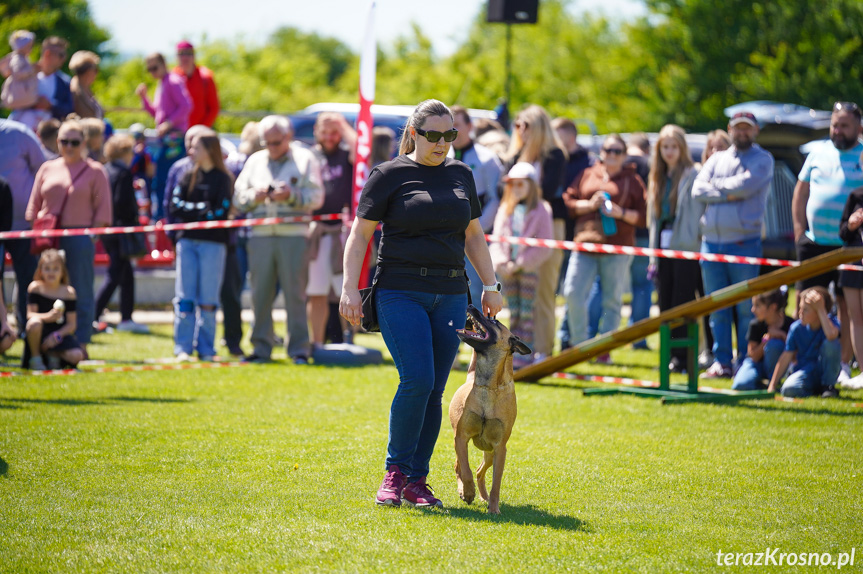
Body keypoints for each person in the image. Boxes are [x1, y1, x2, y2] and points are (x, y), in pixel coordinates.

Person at [339, 99, 503, 509]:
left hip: (451, 294)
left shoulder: (461, 174)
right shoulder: (389, 175)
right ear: (413, 133)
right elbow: (359, 237)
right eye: (433, 135)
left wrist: (491, 284)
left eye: (450, 135)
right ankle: (394, 473)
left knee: (433, 389)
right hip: (399, 290)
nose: (442, 143)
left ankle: (417, 480)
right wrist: (348, 288)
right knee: (417, 379)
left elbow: (474, 236)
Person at [234, 115, 323, 364]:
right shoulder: (254, 161)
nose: (271, 148)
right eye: (267, 143)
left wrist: (291, 195)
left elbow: (317, 197)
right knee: (259, 294)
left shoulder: (305, 159)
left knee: (295, 295)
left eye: (276, 142)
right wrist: (255, 196)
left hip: (294, 236)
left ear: (288, 136)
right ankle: (261, 348)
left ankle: (298, 350)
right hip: (260, 236)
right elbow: (238, 198)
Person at [693, 111, 774, 378]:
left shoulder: (763, 159)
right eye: (737, 128)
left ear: (756, 131)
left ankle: (745, 360)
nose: (742, 133)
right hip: (711, 244)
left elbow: (746, 186)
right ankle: (722, 362)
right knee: (717, 307)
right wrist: (728, 193)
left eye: (747, 129)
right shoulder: (717, 158)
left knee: (744, 308)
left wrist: (718, 189)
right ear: (729, 129)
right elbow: (698, 189)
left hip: (744, 244)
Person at [791, 101, 863, 383]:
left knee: (848, 307)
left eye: (844, 125)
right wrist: (799, 231)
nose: (838, 130)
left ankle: (842, 366)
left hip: (850, 247)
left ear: (858, 127)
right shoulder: (817, 152)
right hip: (814, 242)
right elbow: (800, 192)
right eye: (835, 124)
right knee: (805, 302)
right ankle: (801, 361)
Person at [26, 118, 112, 350]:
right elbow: (33, 207)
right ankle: (37, 343)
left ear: (83, 143)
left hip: (79, 238)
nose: (69, 146)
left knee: (81, 290)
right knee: (41, 287)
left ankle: (81, 342)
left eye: (75, 142)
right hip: (48, 239)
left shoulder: (95, 171)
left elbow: (103, 211)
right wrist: (38, 230)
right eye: (64, 141)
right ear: (57, 142)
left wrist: (89, 237)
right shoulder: (47, 168)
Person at [562, 134, 647, 353]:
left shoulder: (633, 180)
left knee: (612, 300)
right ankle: (580, 346)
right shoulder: (588, 174)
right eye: (608, 150)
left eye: (617, 151)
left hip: (617, 247)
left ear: (625, 155)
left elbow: (645, 216)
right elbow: (568, 203)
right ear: (602, 152)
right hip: (585, 243)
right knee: (572, 292)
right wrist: (589, 205)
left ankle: (603, 350)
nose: (612, 155)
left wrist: (621, 213)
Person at [505, 105, 566, 362]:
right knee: (517, 292)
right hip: (516, 225)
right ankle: (519, 350)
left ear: (538, 126)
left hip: (548, 225)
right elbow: (505, 190)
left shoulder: (554, 156)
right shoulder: (516, 154)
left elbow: (549, 190)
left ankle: (542, 349)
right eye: (517, 125)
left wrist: (524, 185)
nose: (520, 130)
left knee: (543, 290)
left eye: (525, 125)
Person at [168, 134, 233, 361]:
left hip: (213, 244)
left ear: (208, 149)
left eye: (196, 147)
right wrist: (202, 209)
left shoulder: (223, 179)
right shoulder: (186, 175)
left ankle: (206, 348)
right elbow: (175, 206)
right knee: (185, 296)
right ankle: (182, 347)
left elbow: (220, 211)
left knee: (208, 298)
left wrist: (194, 210)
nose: (191, 151)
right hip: (187, 241)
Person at [647, 125, 701, 372]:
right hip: (662, 247)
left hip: (685, 246)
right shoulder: (657, 175)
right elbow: (654, 220)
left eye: (674, 147)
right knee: (665, 302)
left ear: (682, 148)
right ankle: (668, 354)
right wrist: (651, 256)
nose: (669, 152)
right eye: (665, 147)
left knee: (683, 301)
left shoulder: (692, 173)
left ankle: (684, 357)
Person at [489, 162, 553, 367]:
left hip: (528, 270)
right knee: (513, 312)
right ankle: (515, 353)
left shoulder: (542, 209)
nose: (516, 189)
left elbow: (545, 244)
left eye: (521, 184)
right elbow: (497, 239)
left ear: (531, 186)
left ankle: (527, 353)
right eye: (513, 185)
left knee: (527, 313)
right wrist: (503, 262)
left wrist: (521, 263)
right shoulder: (505, 209)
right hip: (507, 270)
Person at [307, 112, 355, 349]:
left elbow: (362, 151)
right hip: (316, 231)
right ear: (316, 131)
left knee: (346, 291)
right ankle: (316, 343)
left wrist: (342, 125)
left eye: (333, 132)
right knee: (316, 292)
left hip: (342, 232)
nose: (329, 137)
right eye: (324, 131)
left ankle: (348, 342)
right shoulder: (309, 156)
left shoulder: (346, 155)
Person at [95, 134, 149, 334]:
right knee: (115, 274)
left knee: (126, 275)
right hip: (121, 231)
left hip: (108, 230)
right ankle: (94, 314)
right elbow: (122, 202)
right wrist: (133, 220)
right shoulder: (123, 173)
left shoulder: (105, 170)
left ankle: (126, 317)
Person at [450, 105, 503, 306]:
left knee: (476, 287)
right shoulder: (442, 155)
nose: (453, 131)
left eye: (457, 125)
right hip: (449, 235)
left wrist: (476, 228)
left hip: (476, 235)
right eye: (449, 126)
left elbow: (495, 198)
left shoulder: (487, 159)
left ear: (470, 126)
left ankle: (479, 334)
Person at [551, 117, 593, 351]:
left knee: (572, 289)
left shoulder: (587, 163)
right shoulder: (554, 158)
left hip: (576, 233)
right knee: (559, 289)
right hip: (554, 230)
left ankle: (567, 337)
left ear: (571, 135)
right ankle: (564, 336)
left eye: (558, 134)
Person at [0, 117, 45, 334]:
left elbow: (42, 170)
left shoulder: (19, 133)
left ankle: (27, 328)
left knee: (27, 277)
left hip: (22, 226)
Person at [136, 52, 192, 220]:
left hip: (173, 140)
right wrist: (144, 99)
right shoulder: (163, 83)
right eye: (149, 69)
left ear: (163, 64)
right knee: (162, 180)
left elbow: (186, 106)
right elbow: (158, 114)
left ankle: (164, 217)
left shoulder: (173, 81)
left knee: (164, 180)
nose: (152, 72)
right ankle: (163, 216)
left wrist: (168, 124)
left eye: (155, 67)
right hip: (166, 140)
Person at [767, 286, 841, 398]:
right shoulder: (796, 328)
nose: (800, 312)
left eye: (805, 309)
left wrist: (821, 309)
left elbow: (831, 336)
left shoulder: (831, 323)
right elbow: (786, 356)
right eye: (800, 308)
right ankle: (816, 390)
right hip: (805, 372)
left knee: (832, 344)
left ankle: (828, 387)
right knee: (788, 390)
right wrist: (772, 385)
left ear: (819, 312)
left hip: (823, 370)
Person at [23, 249, 85, 370]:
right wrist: (50, 317)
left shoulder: (69, 292)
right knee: (34, 323)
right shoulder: (35, 287)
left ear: (62, 272)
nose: (51, 272)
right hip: (39, 332)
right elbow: (30, 315)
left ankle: (52, 354)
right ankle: (36, 358)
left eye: (55, 268)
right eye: (47, 268)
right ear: (40, 271)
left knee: (77, 355)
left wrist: (56, 336)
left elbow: (72, 325)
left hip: (59, 334)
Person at [732, 288, 793, 391]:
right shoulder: (755, 325)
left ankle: (774, 381)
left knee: (775, 345)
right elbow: (753, 356)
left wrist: (782, 335)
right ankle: (763, 385)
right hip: (756, 365)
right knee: (740, 385)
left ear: (773, 307)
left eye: (757, 306)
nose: (753, 310)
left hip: (782, 366)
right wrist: (766, 340)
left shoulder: (790, 324)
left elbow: (796, 352)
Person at [838, 185, 863, 390]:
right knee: (855, 318)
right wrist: (852, 225)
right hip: (852, 263)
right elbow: (843, 233)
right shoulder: (855, 195)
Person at [2, 30, 46, 131]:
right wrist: (32, 69)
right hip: (21, 94)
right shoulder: (17, 58)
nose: (31, 48)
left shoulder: (23, 58)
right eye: (29, 46)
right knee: (17, 118)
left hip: (24, 96)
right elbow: (18, 72)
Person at [172, 41, 219, 128]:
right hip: (176, 134)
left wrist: (201, 129)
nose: (185, 57)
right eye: (181, 53)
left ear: (194, 56)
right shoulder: (171, 78)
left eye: (189, 53)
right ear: (176, 57)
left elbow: (214, 108)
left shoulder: (206, 77)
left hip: (199, 134)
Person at [35, 37, 74, 121]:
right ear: (47, 54)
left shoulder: (65, 82)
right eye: (61, 55)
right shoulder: (26, 74)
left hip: (51, 132)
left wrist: (50, 105)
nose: (64, 59)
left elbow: (70, 109)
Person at [69, 50, 103, 119]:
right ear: (88, 71)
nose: (97, 73)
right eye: (95, 70)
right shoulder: (73, 90)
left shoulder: (86, 89)